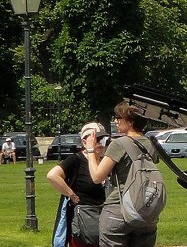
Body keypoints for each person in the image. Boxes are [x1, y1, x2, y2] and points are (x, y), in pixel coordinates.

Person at [84, 102, 161, 247]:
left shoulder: (119, 144)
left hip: (118, 209)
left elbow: (97, 177)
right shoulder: (151, 144)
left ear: (130, 121)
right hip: (145, 210)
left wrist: (90, 151)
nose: (115, 121)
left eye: (118, 117)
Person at [48, 122, 108, 247]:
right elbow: (52, 175)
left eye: (103, 139)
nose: (100, 144)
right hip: (85, 221)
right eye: (96, 139)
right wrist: (71, 194)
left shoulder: (107, 160)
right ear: (84, 142)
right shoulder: (76, 159)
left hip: (107, 218)